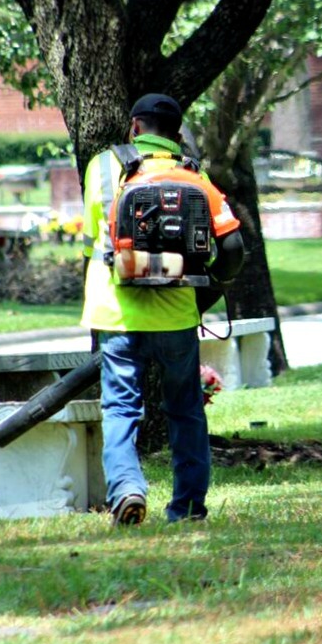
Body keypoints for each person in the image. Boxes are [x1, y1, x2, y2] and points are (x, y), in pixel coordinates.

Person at [81, 92, 236, 526]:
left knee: (121, 408)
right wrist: (205, 294)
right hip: (176, 314)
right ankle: (188, 508)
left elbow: (97, 225)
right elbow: (234, 247)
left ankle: (128, 489)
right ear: (178, 133)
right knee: (185, 409)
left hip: (117, 309)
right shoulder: (194, 174)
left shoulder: (104, 165)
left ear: (134, 127)